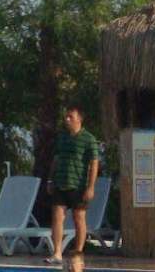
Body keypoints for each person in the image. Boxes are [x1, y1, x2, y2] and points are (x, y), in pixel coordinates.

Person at [46, 105, 99, 265]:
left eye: (71, 117)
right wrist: (50, 179)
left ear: (79, 119)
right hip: (61, 183)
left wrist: (91, 187)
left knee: (79, 219)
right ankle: (57, 253)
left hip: (78, 185)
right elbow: (56, 160)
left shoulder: (88, 139)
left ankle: (78, 253)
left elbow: (94, 163)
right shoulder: (62, 138)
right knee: (57, 217)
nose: (67, 119)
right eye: (66, 117)